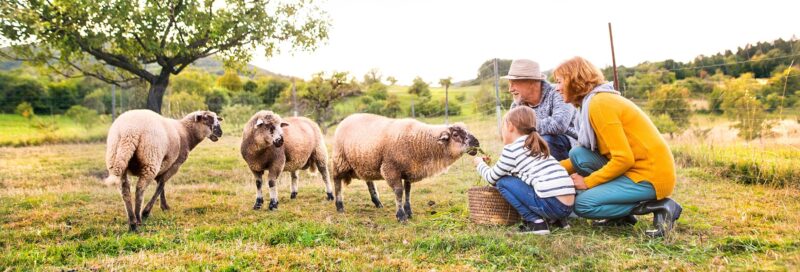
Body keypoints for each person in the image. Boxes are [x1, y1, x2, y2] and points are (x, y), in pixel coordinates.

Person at [553, 56, 682, 237]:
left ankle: (660, 206)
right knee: (578, 154)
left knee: (582, 204)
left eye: (559, 82)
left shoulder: (600, 104)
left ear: (575, 80)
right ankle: (621, 217)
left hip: (650, 176)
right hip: (635, 169)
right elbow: (591, 156)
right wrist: (548, 170)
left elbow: (623, 158)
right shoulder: (593, 102)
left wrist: (588, 182)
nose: (556, 88)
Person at [473, 106, 575, 235]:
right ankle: (557, 220)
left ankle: (535, 223)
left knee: (502, 182)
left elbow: (491, 177)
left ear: (510, 126)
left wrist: (479, 164)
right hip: (568, 206)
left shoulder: (512, 149)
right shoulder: (536, 145)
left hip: (552, 204)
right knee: (529, 181)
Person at [502, 59, 578, 161]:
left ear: (532, 81)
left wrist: (523, 127)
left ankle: (559, 175)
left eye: (514, 82)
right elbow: (511, 134)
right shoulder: (516, 106)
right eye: (509, 83)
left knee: (545, 140)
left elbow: (559, 124)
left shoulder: (558, 92)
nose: (510, 89)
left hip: (571, 149)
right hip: (535, 149)